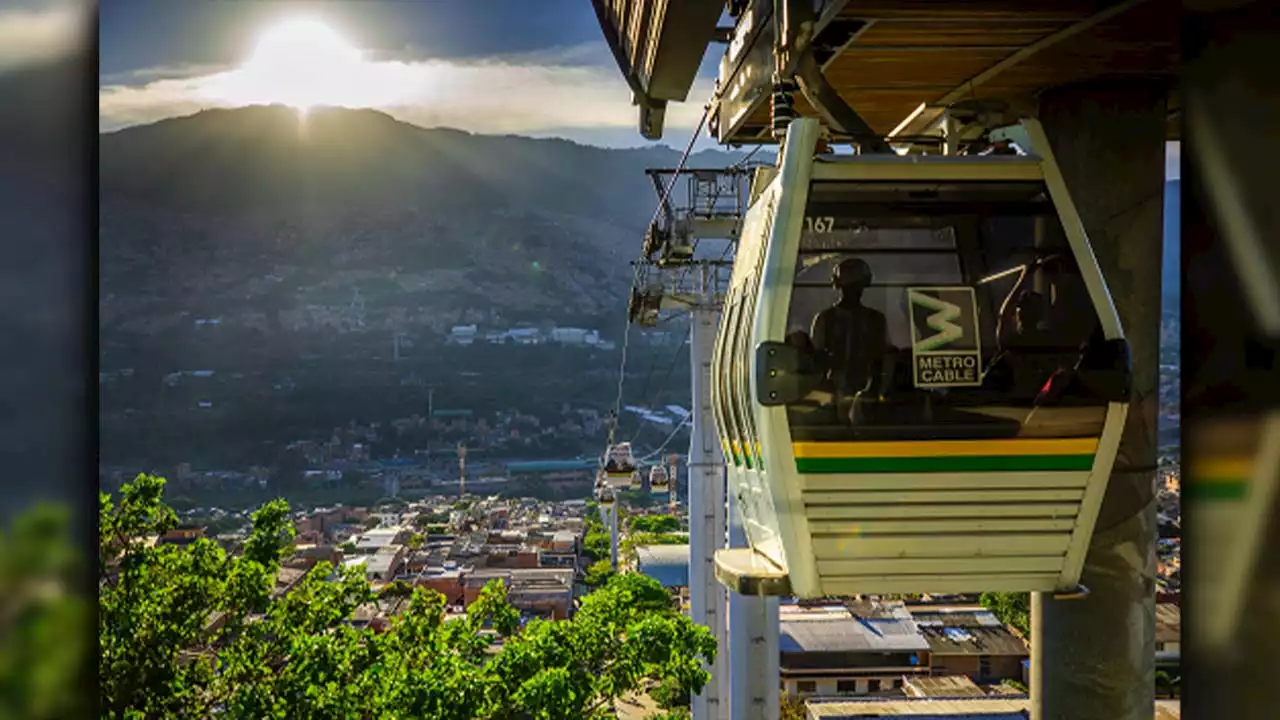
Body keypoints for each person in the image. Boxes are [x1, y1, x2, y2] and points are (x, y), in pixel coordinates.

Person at [810, 258, 889, 417]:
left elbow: (882, 358)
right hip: (835, 390)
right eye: (851, 286)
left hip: (866, 390)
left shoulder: (875, 319)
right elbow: (816, 359)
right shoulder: (825, 319)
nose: (854, 290)